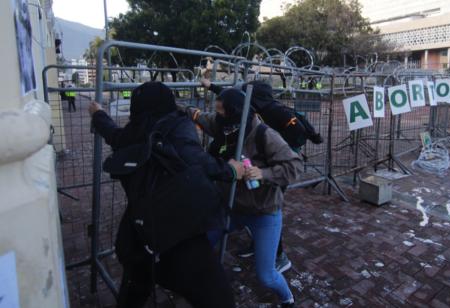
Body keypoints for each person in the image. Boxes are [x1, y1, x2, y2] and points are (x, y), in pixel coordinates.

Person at [88, 82, 242, 308]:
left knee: (135, 287)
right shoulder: (178, 125)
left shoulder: (132, 133)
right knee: (219, 299)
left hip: (138, 232)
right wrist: (230, 170)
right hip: (179, 231)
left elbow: (112, 133)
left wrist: (98, 114)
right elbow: (196, 159)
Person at [183, 87, 303, 307]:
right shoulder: (223, 125)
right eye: (216, 111)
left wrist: (264, 173)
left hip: (263, 213)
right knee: (199, 246)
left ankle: (287, 299)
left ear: (235, 113)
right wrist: (175, 108)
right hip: (230, 209)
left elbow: (295, 166)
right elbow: (199, 116)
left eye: (221, 112)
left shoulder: (264, 134)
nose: (217, 115)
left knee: (267, 275)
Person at [200, 79, 295, 273]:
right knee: (246, 221)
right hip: (240, 197)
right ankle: (259, 245)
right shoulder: (238, 115)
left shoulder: (271, 117)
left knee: (267, 219)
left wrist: (266, 171)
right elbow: (223, 103)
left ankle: (278, 255)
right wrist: (210, 87)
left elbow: (294, 158)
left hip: (270, 175)